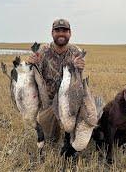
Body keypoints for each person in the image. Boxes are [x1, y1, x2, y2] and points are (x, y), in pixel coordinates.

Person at [27, 19, 85, 149]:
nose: (61, 34)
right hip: (49, 102)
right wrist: (30, 64)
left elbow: (79, 82)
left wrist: (79, 69)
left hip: (70, 101)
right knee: (50, 140)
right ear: (52, 33)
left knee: (76, 137)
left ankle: (71, 137)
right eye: (57, 30)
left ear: (70, 33)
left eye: (64, 31)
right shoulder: (42, 51)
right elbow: (32, 77)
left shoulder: (76, 52)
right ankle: (52, 128)